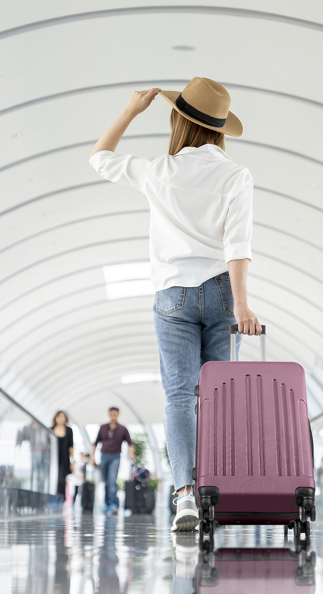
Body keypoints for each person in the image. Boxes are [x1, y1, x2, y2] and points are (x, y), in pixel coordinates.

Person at [89, 77, 261, 532]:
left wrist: (129, 111)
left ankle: (185, 495)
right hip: (223, 293)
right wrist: (242, 306)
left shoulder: (158, 171)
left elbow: (99, 157)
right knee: (220, 397)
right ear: (220, 130)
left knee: (179, 397)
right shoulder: (236, 175)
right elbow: (238, 246)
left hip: (172, 298)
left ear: (179, 121)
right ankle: (218, 490)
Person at [91, 407, 135, 515]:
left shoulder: (123, 429)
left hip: (115, 457)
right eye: (111, 414)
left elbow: (130, 444)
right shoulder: (103, 428)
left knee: (111, 480)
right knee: (105, 481)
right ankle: (107, 504)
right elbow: (95, 443)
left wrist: (131, 453)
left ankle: (113, 505)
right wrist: (92, 457)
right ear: (109, 414)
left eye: (115, 414)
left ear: (118, 415)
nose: (113, 416)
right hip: (103, 456)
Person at [52, 411, 74, 498]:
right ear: (55, 418)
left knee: (61, 479)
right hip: (53, 458)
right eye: (59, 416)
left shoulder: (69, 430)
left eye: (63, 417)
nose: (61, 419)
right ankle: (52, 498)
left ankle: (60, 499)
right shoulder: (50, 429)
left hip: (64, 458)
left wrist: (73, 460)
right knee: (53, 478)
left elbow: (71, 446)